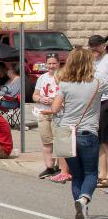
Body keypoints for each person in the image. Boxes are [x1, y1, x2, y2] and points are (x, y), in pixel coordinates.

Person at [50, 47, 101, 219]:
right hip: (87, 132)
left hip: (65, 132)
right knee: (91, 172)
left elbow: (55, 109)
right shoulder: (97, 83)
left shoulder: (64, 84)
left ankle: (80, 207)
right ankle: (84, 200)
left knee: (76, 174)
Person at [34, 53, 69, 181]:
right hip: (43, 112)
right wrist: (41, 99)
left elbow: (66, 96)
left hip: (58, 113)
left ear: (59, 64)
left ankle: (62, 168)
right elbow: (35, 95)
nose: (51, 66)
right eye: (49, 63)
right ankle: (49, 167)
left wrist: (54, 100)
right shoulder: (42, 78)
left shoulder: (63, 77)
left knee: (59, 141)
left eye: (54, 63)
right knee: (46, 140)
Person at [90, 35, 108, 188]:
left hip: (106, 101)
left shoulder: (107, 60)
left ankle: (104, 174)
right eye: (92, 46)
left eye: (97, 45)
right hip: (95, 102)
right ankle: (101, 173)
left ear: (104, 45)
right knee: (99, 139)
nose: (94, 48)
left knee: (104, 140)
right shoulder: (92, 61)